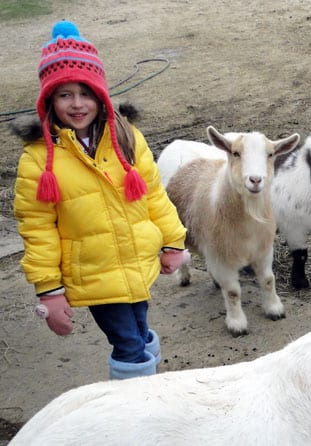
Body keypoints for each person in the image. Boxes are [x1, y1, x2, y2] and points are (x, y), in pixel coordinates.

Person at [13, 20, 190, 379]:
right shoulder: (38, 159)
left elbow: (154, 194)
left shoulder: (126, 137)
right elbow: (37, 228)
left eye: (86, 93)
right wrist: (49, 291)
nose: (77, 104)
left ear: (101, 94)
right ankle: (135, 406)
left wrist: (173, 242)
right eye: (64, 94)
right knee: (128, 345)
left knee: (139, 332)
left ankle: (147, 383)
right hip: (93, 272)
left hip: (138, 262)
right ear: (49, 99)